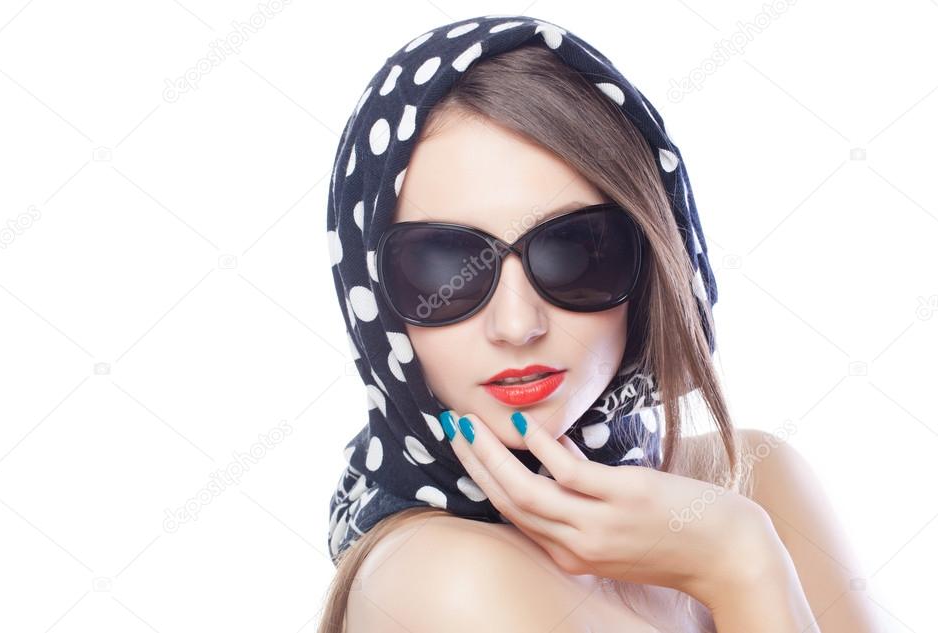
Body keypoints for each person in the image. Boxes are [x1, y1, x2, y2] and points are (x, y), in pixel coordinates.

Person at [320, 15, 882, 632]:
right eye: (444, 265)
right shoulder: (441, 581)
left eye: (574, 249)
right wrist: (740, 568)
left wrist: (738, 548)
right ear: (368, 294)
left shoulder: (755, 480)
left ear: (653, 258)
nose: (517, 323)